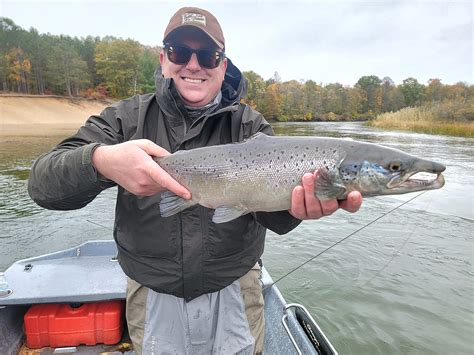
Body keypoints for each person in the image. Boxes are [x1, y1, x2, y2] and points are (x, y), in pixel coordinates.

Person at [28, 7, 362, 355]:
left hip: (235, 288)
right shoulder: (125, 119)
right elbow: (41, 184)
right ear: (163, 59)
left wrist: (298, 209)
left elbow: (274, 219)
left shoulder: (251, 126)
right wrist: (101, 161)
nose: (193, 64)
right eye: (179, 52)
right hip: (152, 292)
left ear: (223, 64)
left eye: (207, 54)